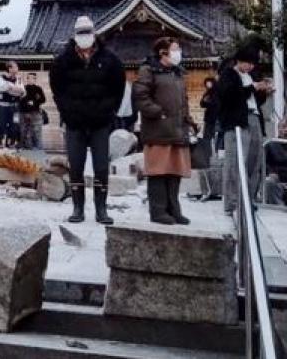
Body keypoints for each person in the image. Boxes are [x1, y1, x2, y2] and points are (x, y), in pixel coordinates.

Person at [50, 16, 126, 225]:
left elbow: (117, 89)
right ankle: (78, 207)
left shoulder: (110, 60)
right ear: (74, 35)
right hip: (74, 123)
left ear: (94, 33)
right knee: (76, 166)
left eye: (87, 32)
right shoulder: (62, 61)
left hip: (100, 123)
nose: (84, 37)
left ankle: (101, 208)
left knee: (101, 166)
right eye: (80, 33)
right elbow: (58, 91)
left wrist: (109, 112)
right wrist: (67, 112)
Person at [133, 37, 196, 225]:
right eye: (175, 49)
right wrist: (157, 112)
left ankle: (174, 210)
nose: (179, 53)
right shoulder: (148, 70)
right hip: (158, 130)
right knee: (158, 171)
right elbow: (140, 96)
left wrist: (190, 121)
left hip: (177, 129)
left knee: (174, 171)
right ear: (163, 52)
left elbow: (183, 101)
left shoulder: (177, 73)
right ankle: (158, 211)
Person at [218, 46, 272, 216]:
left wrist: (264, 91)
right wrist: (252, 88)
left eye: (252, 64)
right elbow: (229, 95)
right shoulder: (228, 74)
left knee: (254, 162)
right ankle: (232, 204)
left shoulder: (251, 76)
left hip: (254, 118)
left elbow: (255, 99)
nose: (250, 67)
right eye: (247, 63)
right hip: (237, 121)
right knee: (235, 162)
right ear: (239, 61)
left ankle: (248, 200)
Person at [0, 61, 24, 148]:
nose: (17, 69)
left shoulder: (18, 79)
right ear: (10, 69)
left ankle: (11, 141)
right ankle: (0, 140)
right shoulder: (2, 78)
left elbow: (22, 91)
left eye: (17, 67)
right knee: (2, 123)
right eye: (15, 67)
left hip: (14, 106)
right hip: (4, 105)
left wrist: (12, 88)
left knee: (14, 124)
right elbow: (0, 88)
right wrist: (11, 87)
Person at [19, 72, 47, 150]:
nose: (31, 79)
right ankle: (26, 147)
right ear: (27, 79)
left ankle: (38, 148)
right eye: (29, 78)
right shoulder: (23, 88)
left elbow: (43, 99)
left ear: (35, 79)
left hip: (36, 113)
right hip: (24, 113)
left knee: (37, 131)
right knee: (24, 131)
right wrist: (27, 103)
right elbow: (20, 101)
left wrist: (34, 102)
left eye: (32, 78)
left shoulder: (38, 89)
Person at [200, 77, 220, 152]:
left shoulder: (218, 92)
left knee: (217, 136)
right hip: (209, 118)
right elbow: (202, 104)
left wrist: (208, 102)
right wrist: (206, 101)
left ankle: (217, 152)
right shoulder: (207, 93)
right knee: (207, 137)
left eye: (209, 83)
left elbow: (217, 104)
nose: (208, 85)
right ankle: (207, 152)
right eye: (206, 83)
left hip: (217, 118)